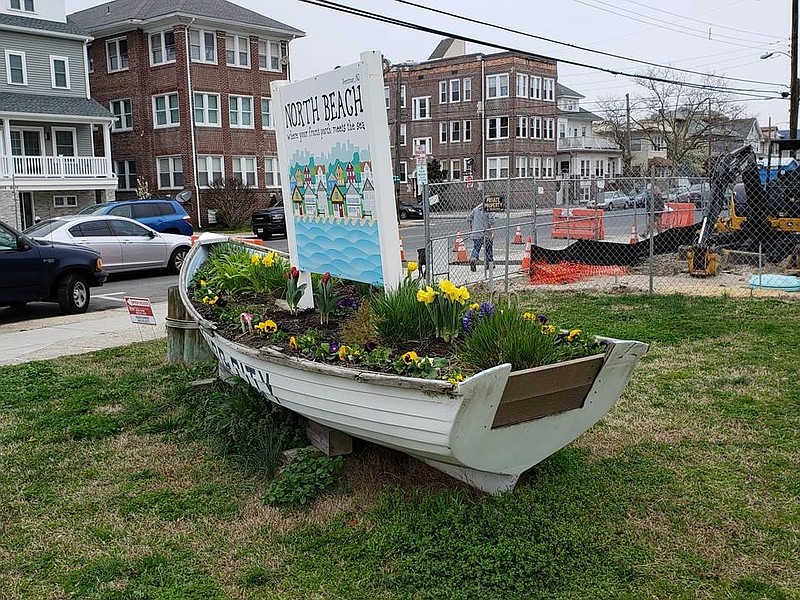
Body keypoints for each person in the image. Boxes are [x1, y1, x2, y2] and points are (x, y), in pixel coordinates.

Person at [467, 199, 496, 272]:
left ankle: (473, 258)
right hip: (486, 233)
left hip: (476, 232)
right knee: (488, 248)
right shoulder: (489, 210)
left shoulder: (476, 209)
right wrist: (492, 232)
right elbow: (491, 221)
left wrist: (471, 228)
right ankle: (489, 263)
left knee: (476, 247)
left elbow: (469, 218)